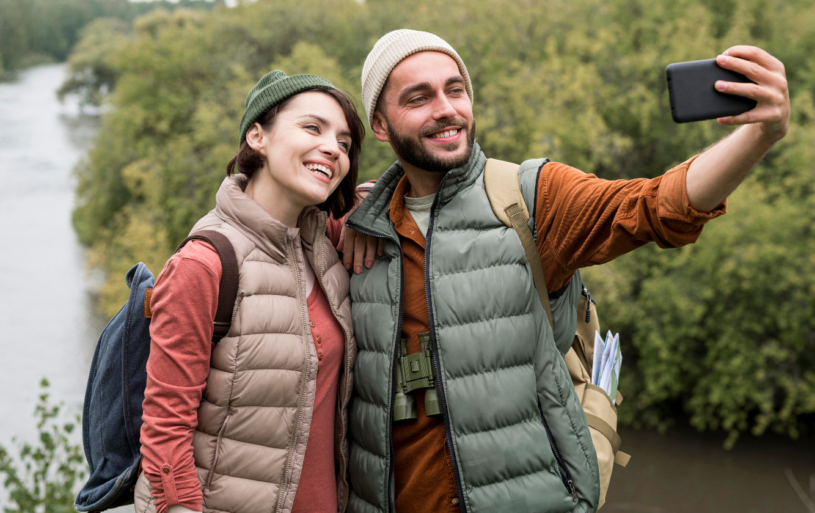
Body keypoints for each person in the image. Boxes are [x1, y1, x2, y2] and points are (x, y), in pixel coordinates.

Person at [337, 30, 789, 513]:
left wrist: (761, 133)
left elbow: (659, 204)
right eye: (419, 97)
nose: (446, 109)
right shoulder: (356, 230)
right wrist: (359, 210)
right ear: (381, 125)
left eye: (456, 89)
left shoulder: (529, 199)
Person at [133, 70, 365, 513]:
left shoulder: (324, 247)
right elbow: (164, 431)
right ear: (257, 136)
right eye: (312, 128)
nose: (333, 148)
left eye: (345, 142)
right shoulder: (205, 263)